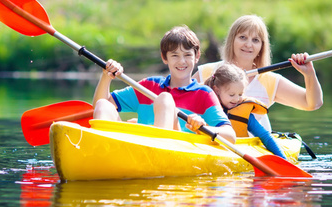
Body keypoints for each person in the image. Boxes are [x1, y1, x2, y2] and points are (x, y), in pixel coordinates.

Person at [92, 25, 237, 142]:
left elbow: (230, 135)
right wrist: (106, 76)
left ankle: (156, 150)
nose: (181, 61)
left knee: (165, 99)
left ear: (197, 56)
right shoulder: (149, 85)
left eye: (187, 55)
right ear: (164, 57)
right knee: (103, 104)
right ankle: (103, 152)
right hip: (137, 150)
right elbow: (100, 106)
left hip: (173, 152)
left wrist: (204, 126)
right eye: (175, 55)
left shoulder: (204, 94)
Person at [194, 14, 323, 131]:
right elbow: (178, 97)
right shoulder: (207, 72)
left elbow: (313, 103)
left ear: (262, 46)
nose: (248, 45)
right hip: (212, 140)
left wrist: (309, 74)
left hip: (254, 146)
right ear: (232, 40)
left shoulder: (269, 81)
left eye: (255, 40)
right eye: (243, 37)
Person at [205, 63, 287, 159]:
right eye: (231, 95)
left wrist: (283, 159)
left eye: (240, 94)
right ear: (217, 90)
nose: (236, 99)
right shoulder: (206, 107)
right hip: (208, 149)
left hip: (236, 154)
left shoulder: (244, 113)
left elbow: (264, 136)